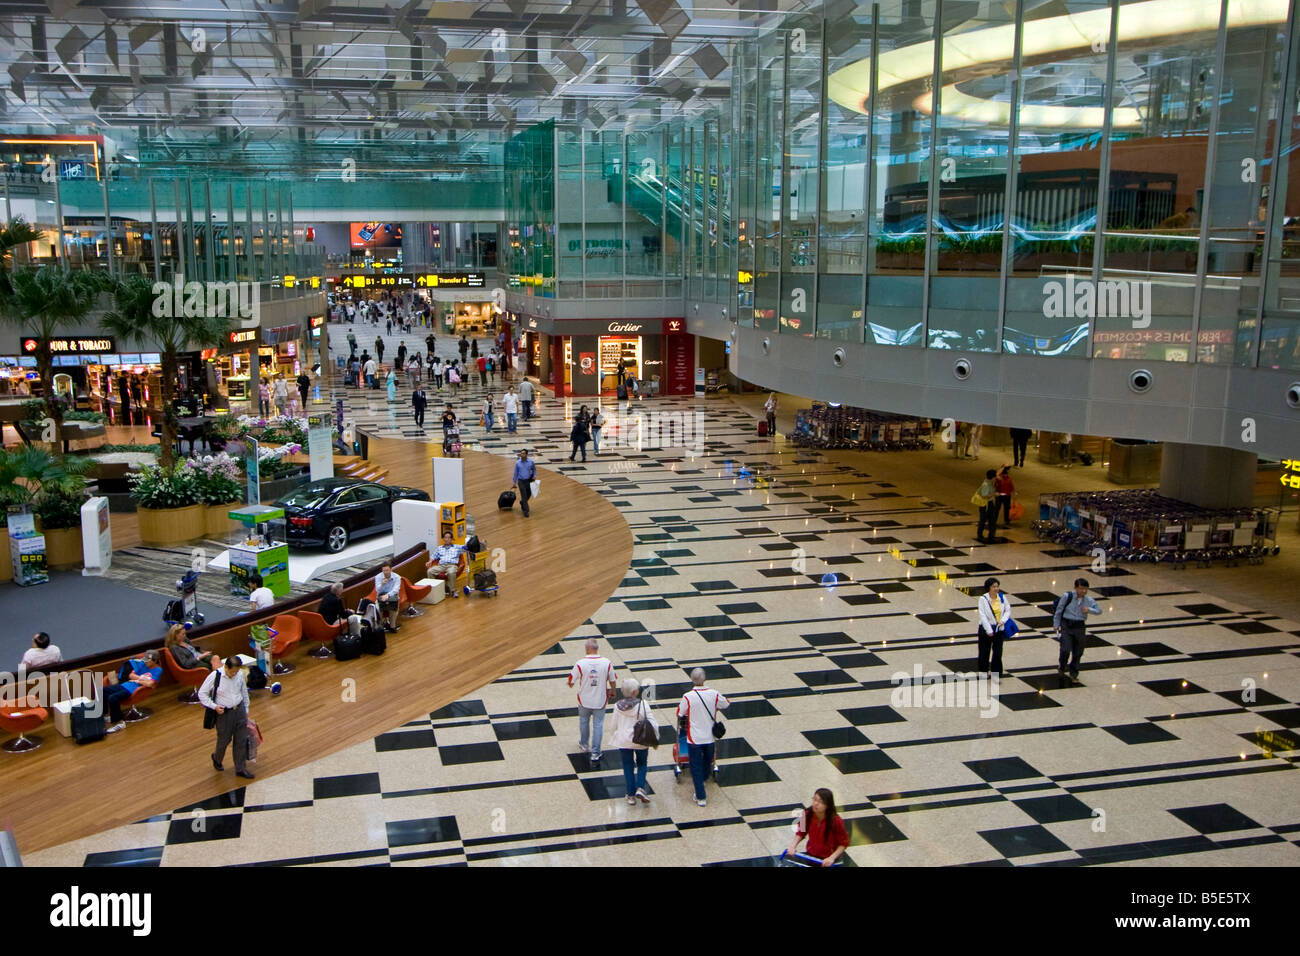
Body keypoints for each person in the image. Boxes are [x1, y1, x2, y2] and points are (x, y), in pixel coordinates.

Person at [676, 668, 729, 807]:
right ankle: (703, 780)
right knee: (707, 761)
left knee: (695, 766)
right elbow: (726, 703)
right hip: (710, 737)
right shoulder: (714, 694)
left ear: (692, 680)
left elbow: (680, 713)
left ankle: (701, 796)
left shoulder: (688, 696)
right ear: (704, 679)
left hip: (694, 738)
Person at [199, 655, 254, 779]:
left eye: (236, 671)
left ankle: (240, 768)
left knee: (241, 740)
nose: (234, 674)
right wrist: (214, 706)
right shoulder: (215, 676)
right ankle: (217, 758)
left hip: (239, 710)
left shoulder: (239, 674)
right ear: (226, 667)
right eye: (232, 671)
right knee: (224, 740)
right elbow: (202, 694)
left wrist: (246, 708)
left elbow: (243, 691)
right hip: (224, 713)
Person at [568, 638, 617, 765]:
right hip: (600, 700)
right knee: (598, 725)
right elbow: (612, 679)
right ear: (597, 648)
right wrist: (613, 690)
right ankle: (595, 753)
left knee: (583, 721)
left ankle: (584, 744)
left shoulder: (580, 663)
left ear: (587, 649)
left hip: (584, 700)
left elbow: (571, 682)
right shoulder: (607, 663)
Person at [608, 677, 655, 805]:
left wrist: (614, 735)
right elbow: (651, 721)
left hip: (623, 741)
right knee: (642, 764)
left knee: (628, 766)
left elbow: (613, 724)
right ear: (635, 692)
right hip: (641, 740)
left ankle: (630, 796)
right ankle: (640, 787)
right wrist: (655, 737)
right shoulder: (643, 704)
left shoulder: (617, 706)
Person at [1053, 577, 1104, 683]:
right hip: (1067, 624)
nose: (1083, 591)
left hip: (1079, 626)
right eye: (1081, 589)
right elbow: (1059, 610)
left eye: (1086, 589)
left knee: (1078, 651)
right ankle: (1062, 666)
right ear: (1075, 588)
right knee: (1065, 649)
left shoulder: (1089, 600)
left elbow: (1099, 611)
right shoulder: (1067, 596)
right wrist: (1056, 624)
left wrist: (1089, 610)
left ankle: (1074, 673)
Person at [786, 788, 850, 866]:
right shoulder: (806, 814)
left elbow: (843, 843)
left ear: (828, 805)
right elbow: (801, 832)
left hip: (829, 860)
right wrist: (793, 846)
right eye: (814, 799)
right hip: (811, 857)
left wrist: (831, 858)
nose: (815, 804)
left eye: (820, 802)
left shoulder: (836, 821)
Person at [103, 652, 162, 733]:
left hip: (133, 690)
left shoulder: (158, 670)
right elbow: (130, 675)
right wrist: (142, 679)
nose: (146, 662)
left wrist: (137, 680)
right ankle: (107, 715)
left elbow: (150, 684)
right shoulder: (142, 664)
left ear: (155, 661)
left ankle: (119, 723)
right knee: (102, 691)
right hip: (125, 685)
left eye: (148, 661)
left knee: (112, 698)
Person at [976, 577, 1015, 677]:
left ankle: (996, 673)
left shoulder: (1001, 597)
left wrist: (1003, 620)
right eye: (994, 587)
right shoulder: (983, 599)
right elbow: (983, 615)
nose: (996, 588)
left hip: (999, 629)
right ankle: (983, 672)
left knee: (998, 653)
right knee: (984, 652)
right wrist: (989, 630)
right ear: (989, 588)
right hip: (985, 630)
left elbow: (1008, 610)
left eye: (997, 586)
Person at [427, 531, 464, 598]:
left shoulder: (456, 547)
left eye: (448, 538)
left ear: (451, 539)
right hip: (441, 565)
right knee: (430, 571)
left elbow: (465, 548)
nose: (446, 539)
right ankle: (435, 589)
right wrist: (430, 561)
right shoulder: (439, 548)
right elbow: (433, 556)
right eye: (445, 537)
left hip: (452, 565)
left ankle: (453, 591)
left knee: (451, 572)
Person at [374, 564, 403, 632]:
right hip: (381, 595)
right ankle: (381, 626)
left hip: (392, 595)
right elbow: (377, 590)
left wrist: (388, 595)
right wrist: (382, 584)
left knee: (394, 608)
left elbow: (396, 589)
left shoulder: (397, 577)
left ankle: (392, 626)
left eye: (387, 570)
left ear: (391, 569)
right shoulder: (378, 577)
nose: (385, 572)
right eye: (384, 570)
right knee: (378, 609)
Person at [975, 468, 998, 543]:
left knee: (992, 520)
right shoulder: (986, 484)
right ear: (993, 477)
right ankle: (980, 535)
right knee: (983, 520)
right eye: (995, 476)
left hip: (990, 503)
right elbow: (984, 496)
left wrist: (1004, 466)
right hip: (985, 504)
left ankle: (991, 535)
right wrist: (994, 494)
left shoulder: (990, 482)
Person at [512, 448, 536, 517]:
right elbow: (515, 473)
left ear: (526, 454)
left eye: (523, 453)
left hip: (528, 481)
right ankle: (526, 511)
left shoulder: (530, 462)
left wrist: (534, 476)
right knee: (524, 495)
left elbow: (534, 470)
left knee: (529, 494)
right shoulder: (518, 463)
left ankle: (522, 502)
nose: (521, 454)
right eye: (521, 453)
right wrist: (514, 482)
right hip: (521, 481)